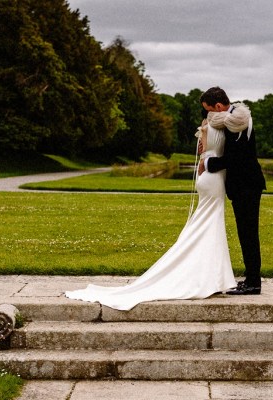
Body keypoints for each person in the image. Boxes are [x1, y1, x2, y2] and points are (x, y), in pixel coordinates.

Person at [65, 111, 237, 310]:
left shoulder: (208, 124)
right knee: (212, 224)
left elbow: (202, 150)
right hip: (214, 177)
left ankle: (212, 276)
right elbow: (216, 150)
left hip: (207, 175)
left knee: (207, 224)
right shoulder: (224, 123)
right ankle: (212, 278)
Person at [198, 87, 266, 295]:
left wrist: (208, 163)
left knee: (248, 233)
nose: (209, 115)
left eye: (209, 110)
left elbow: (235, 159)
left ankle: (253, 282)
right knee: (246, 232)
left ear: (218, 106)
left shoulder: (236, 122)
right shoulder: (235, 116)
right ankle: (251, 278)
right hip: (244, 184)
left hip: (246, 184)